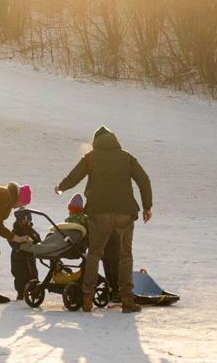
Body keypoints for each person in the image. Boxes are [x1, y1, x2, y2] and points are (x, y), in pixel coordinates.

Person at [55, 125, 153, 313]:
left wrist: (61, 187)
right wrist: (147, 206)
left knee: (94, 254)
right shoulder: (126, 157)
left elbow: (75, 176)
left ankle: (86, 299)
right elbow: (144, 180)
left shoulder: (91, 157)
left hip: (99, 213)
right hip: (125, 212)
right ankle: (126, 300)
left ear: (95, 142)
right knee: (125, 256)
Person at [9, 207, 41, 299]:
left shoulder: (32, 232)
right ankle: (21, 292)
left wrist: (36, 244)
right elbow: (11, 241)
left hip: (30, 257)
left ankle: (35, 291)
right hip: (18, 257)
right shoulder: (15, 231)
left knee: (33, 273)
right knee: (20, 275)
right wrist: (19, 246)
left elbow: (38, 239)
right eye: (23, 221)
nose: (26, 223)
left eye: (28, 221)